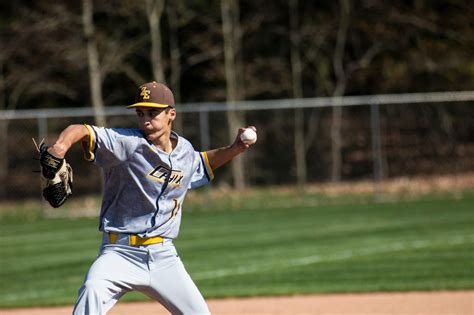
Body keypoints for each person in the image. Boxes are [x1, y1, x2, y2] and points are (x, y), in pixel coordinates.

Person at [44, 81, 256, 315]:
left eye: (153, 113)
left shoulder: (184, 150)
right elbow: (82, 130)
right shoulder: (126, 143)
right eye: (140, 113)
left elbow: (203, 163)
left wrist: (235, 149)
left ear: (171, 114)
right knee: (92, 290)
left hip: (164, 257)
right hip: (118, 252)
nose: (146, 119)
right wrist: (60, 148)